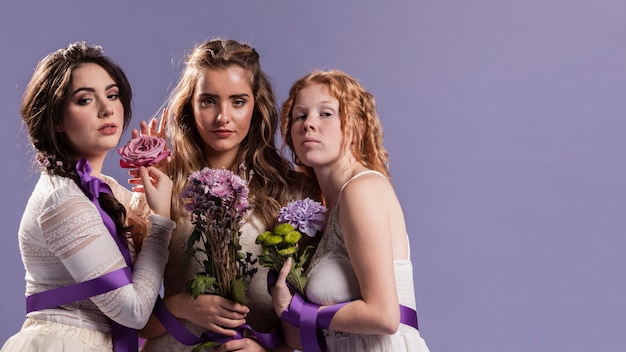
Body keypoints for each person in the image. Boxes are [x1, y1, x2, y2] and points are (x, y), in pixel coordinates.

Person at [135, 39, 314, 352]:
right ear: (190, 105)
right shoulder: (160, 185)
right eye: (208, 101)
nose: (222, 117)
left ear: (256, 106)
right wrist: (179, 304)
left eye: (238, 101)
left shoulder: (292, 191)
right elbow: (129, 316)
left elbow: (313, 316)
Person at [1, 42, 176, 352]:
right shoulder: (63, 201)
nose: (107, 109)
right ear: (55, 118)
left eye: (112, 95)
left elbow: (146, 230)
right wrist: (161, 223)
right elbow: (133, 311)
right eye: (85, 100)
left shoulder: (100, 187)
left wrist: (154, 171)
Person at [272, 70, 431, 351]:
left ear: (356, 125)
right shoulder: (324, 210)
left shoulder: (361, 191)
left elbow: (384, 316)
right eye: (300, 116)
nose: (309, 124)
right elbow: (313, 338)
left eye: (326, 113)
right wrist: (283, 304)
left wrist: (300, 312)